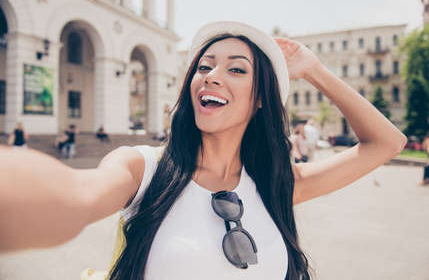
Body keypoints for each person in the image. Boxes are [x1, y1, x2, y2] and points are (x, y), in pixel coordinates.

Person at [0, 21, 406, 280]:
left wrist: (314, 70)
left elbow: (387, 142)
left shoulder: (277, 184)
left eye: (236, 69)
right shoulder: (142, 169)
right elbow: (73, 197)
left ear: (261, 99)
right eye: (204, 65)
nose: (211, 76)